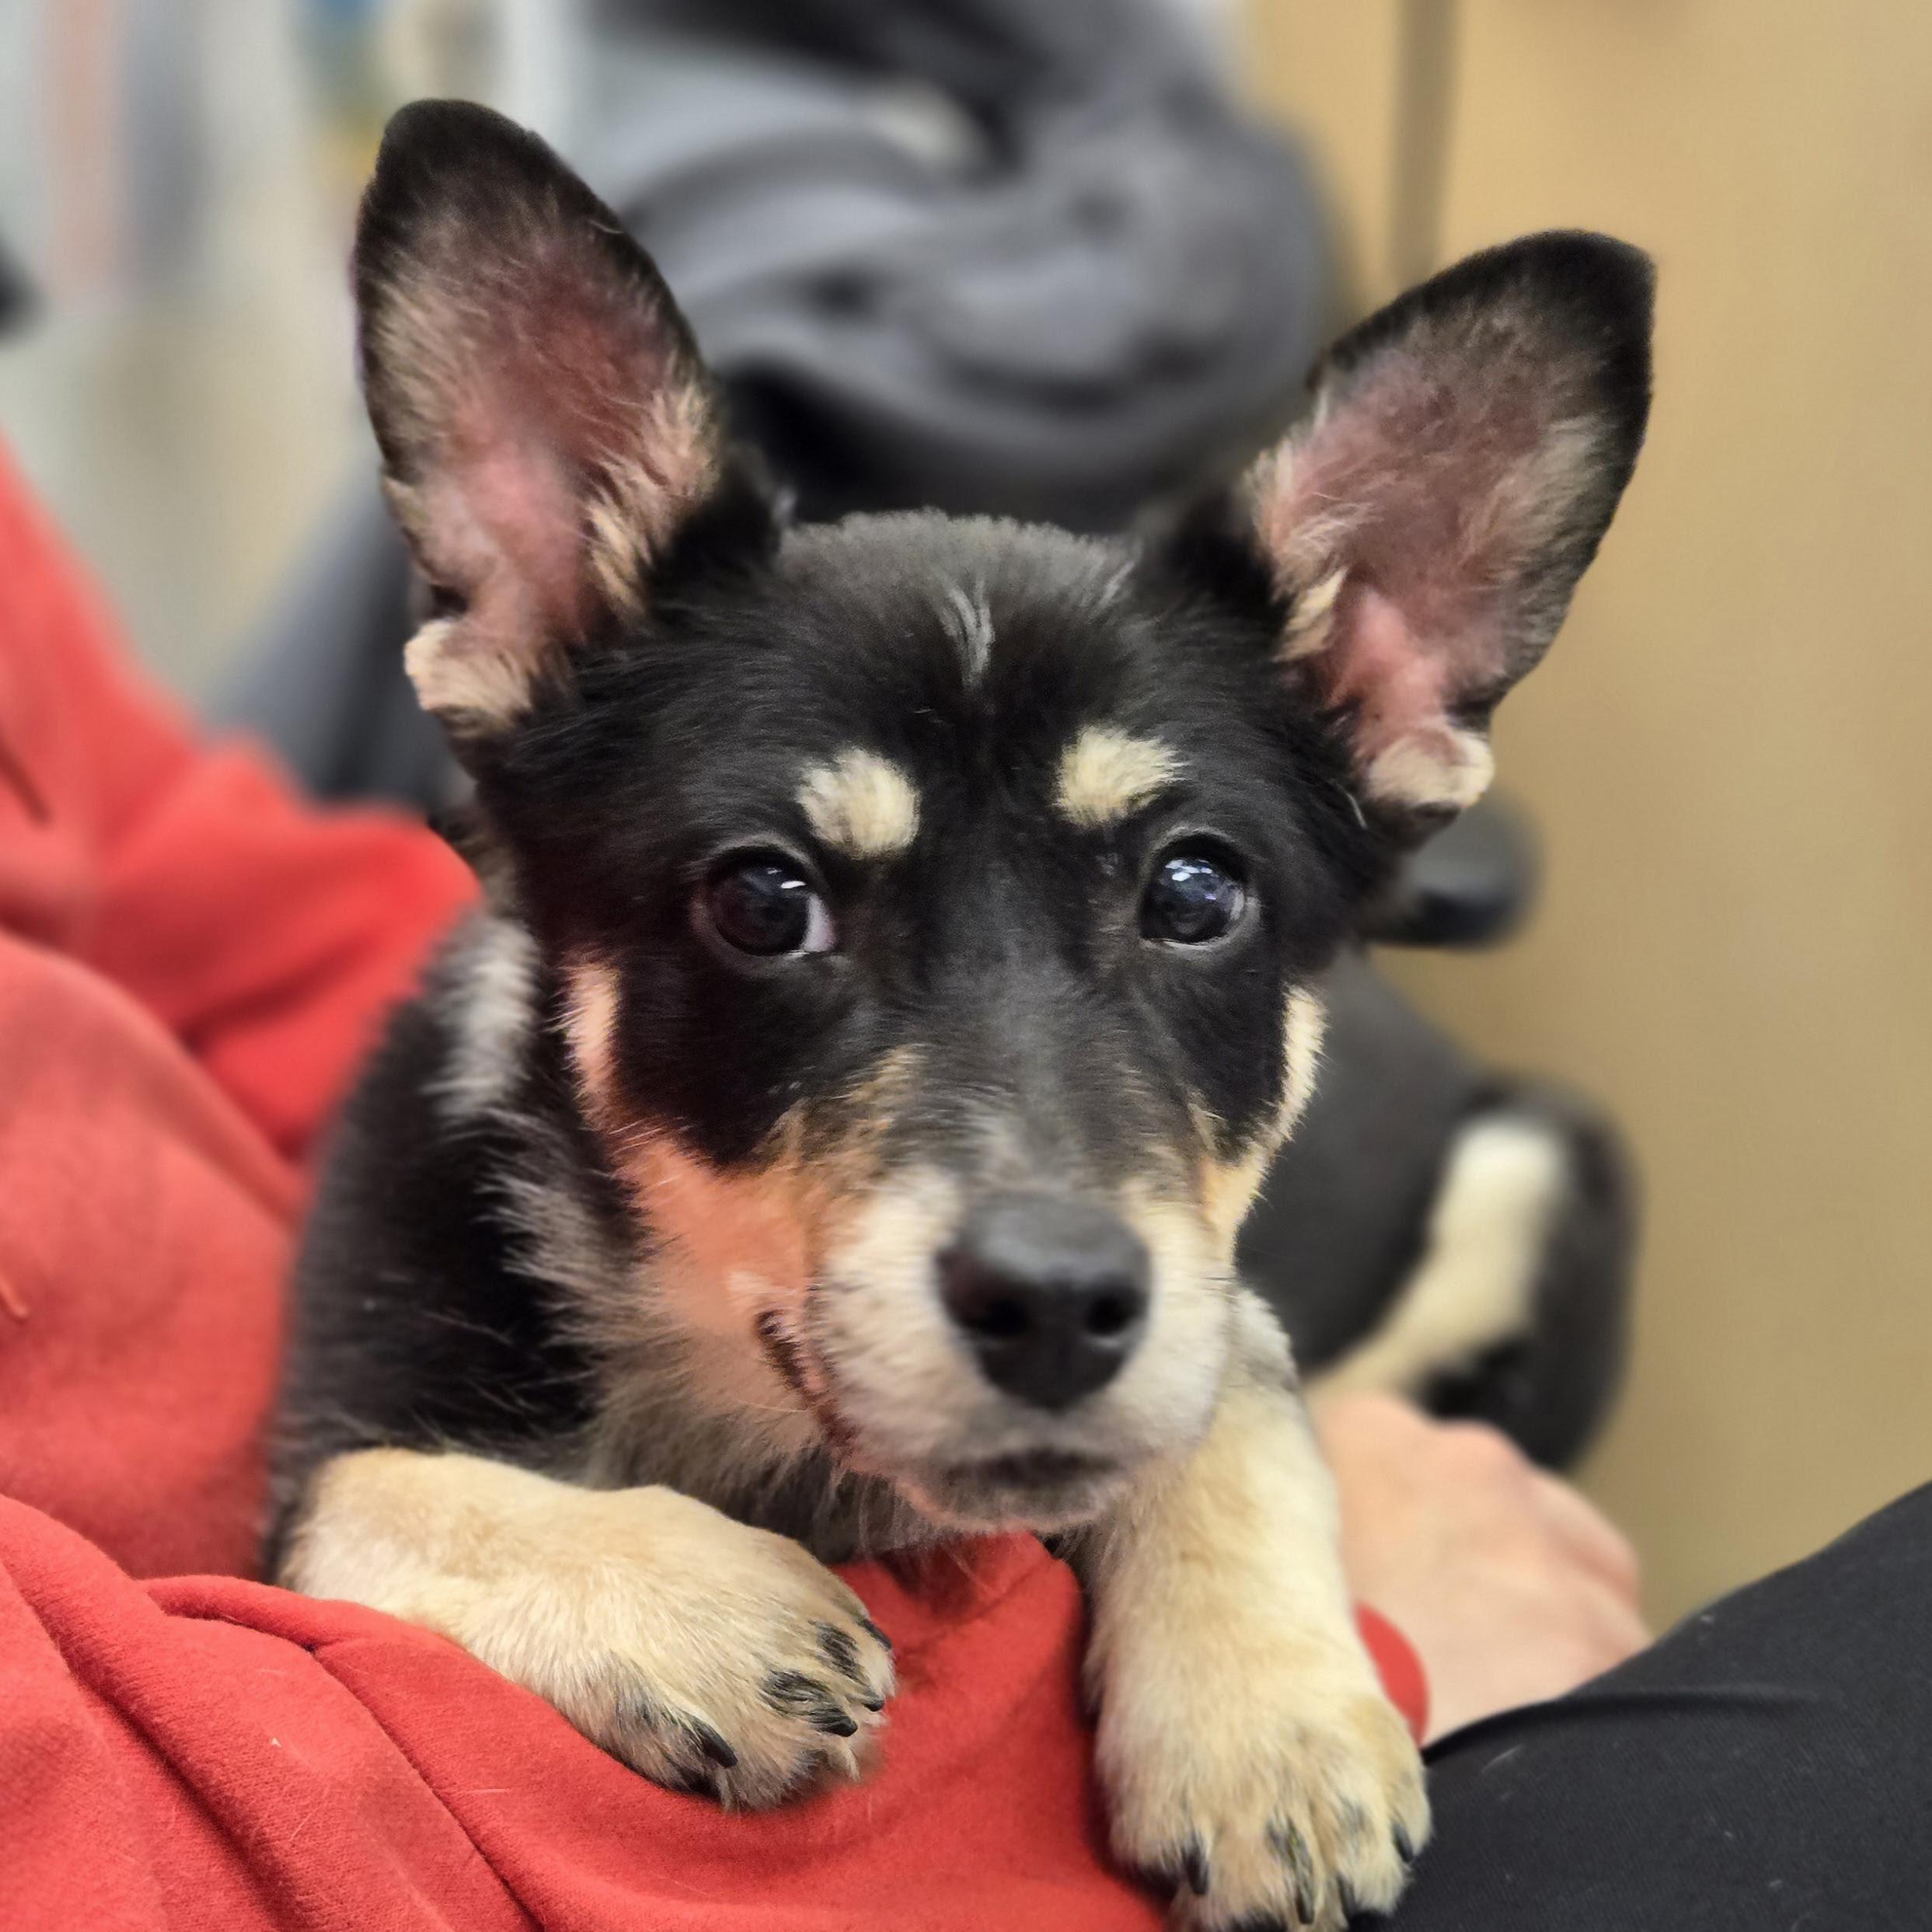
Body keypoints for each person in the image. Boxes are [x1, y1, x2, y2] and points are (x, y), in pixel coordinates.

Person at [2, 437, 1924, 1931]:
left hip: (1383, 1367)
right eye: (777, 902)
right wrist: (1399, 1622)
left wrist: (1259, 1534)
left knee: (1536, 1188)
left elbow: (201, 889)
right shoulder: (436, 1206)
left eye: (1188, 892)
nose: (1042, 1224)